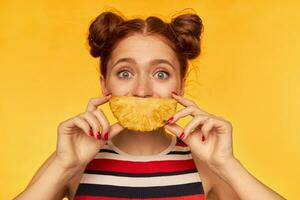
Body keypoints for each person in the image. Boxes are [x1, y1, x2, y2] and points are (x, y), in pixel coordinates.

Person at [14, 10, 286, 200]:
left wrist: (228, 164)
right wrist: (62, 165)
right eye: (125, 73)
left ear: (179, 86)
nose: (142, 90)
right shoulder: (72, 159)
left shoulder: (205, 165)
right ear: (104, 85)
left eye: (161, 74)